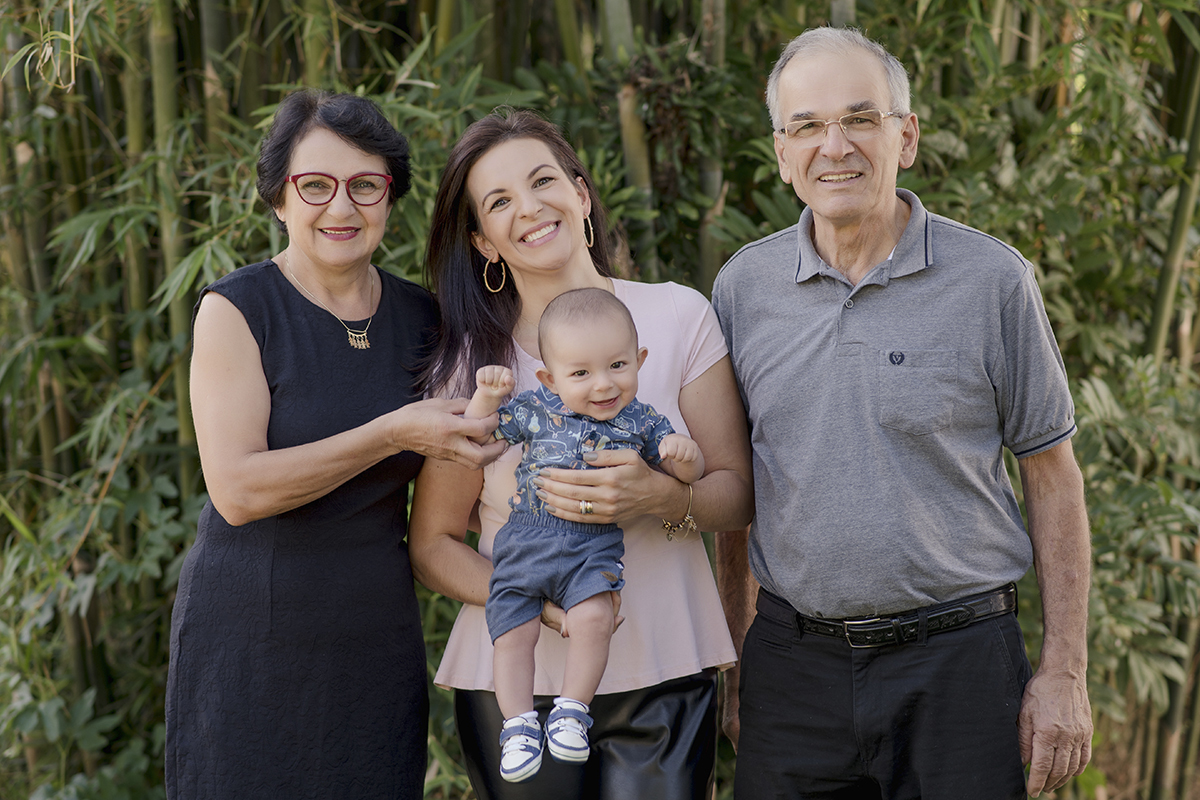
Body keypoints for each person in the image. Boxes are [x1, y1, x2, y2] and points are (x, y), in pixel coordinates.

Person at [711, 27, 1093, 800]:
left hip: (960, 666)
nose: (835, 146)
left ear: (906, 137)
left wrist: (1064, 671)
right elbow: (737, 493)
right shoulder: (742, 291)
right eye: (807, 126)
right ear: (782, 155)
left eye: (861, 118)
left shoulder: (993, 282)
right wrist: (736, 656)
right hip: (793, 666)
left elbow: (1053, 478)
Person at [165, 89, 504, 799]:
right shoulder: (238, 309)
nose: (341, 207)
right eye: (315, 185)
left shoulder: (424, 317)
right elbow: (239, 488)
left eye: (365, 185)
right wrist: (389, 434)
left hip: (374, 639)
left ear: (389, 197)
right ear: (279, 199)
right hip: (251, 637)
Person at [408, 108, 754, 800]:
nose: (529, 208)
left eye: (543, 182)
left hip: (664, 668)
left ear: (581, 193)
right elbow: (435, 545)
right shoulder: (476, 370)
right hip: (518, 691)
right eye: (500, 201)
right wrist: (544, 609)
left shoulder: (677, 316)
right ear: (482, 241)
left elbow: (738, 492)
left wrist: (662, 498)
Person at [464, 288, 705, 783]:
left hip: (592, 547)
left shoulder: (640, 420)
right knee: (513, 633)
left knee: (595, 618)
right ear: (551, 379)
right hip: (526, 540)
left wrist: (685, 456)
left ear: (639, 360)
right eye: (580, 373)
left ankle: (573, 710)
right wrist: (486, 398)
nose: (602, 385)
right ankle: (518, 724)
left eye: (618, 366)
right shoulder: (535, 409)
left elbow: (686, 473)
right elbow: (478, 438)